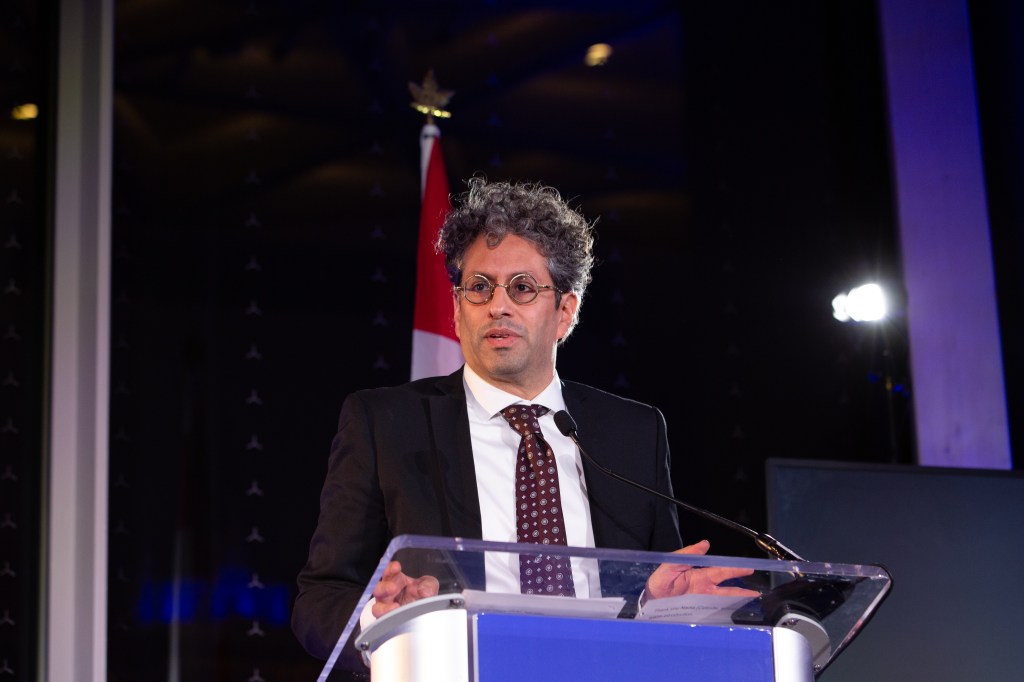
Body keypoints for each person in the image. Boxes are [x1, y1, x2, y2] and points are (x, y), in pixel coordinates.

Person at [292, 177, 754, 671]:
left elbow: (660, 592)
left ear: (565, 312)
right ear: (457, 309)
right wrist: (382, 619)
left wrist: (661, 605)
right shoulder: (385, 423)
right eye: (479, 287)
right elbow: (320, 600)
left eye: (522, 288)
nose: (498, 306)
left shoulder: (634, 433)